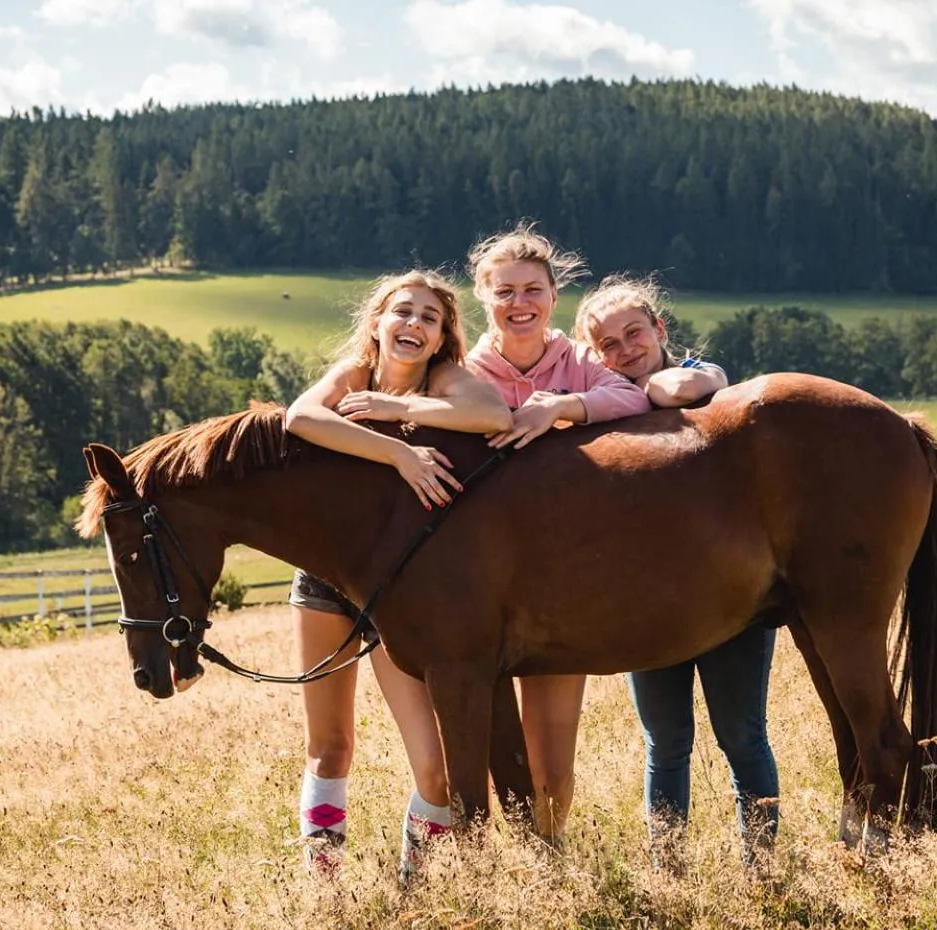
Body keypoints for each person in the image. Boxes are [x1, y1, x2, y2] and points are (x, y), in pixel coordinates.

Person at [282, 269, 511, 877]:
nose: (414, 324)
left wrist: (397, 409)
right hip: (326, 583)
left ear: (441, 339)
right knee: (330, 749)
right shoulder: (352, 376)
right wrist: (400, 451)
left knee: (435, 769)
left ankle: (416, 893)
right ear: (378, 322)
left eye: (429, 318)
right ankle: (325, 886)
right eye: (402, 312)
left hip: (399, 592)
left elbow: (495, 414)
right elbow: (300, 418)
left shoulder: (447, 381)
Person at [573, 274, 781, 869]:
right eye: (607, 345)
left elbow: (682, 386)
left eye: (633, 332)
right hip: (646, 603)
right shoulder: (602, 405)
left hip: (730, 592)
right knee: (666, 746)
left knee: (742, 736)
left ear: (660, 329)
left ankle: (760, 867)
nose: (625, 349)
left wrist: (623, 387)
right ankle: (670, 869)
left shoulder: (701, 377)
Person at [463, 225, 652, 844]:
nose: (521, 303)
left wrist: (558, 407)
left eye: (534, 290)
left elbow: (632, 399)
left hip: (557, 585)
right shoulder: (463, 374)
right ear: (483, 297)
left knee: (553, 754)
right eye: (506, 291)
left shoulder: (580, 363)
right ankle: (492, 857)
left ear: (553, 295)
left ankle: (550, 858)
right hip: (477, 581)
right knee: (473, 748)